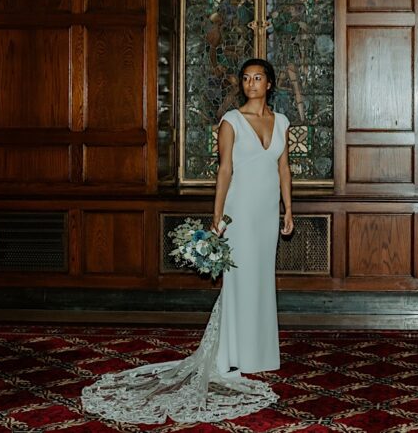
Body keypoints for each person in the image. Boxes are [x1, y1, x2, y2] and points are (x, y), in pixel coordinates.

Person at [81, 58, 294, 424]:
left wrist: (288, 210)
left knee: (261, 280)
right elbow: (224, 169)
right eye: (246, 78)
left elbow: (283, 167)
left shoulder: (283, 123)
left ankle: (260, 353)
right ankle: (231, 355)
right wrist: (217, 214)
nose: (251, 84)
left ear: (270, 84)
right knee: (239, 280)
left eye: (258, 78)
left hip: (267, 212)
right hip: (239, 211)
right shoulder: (230, 122)